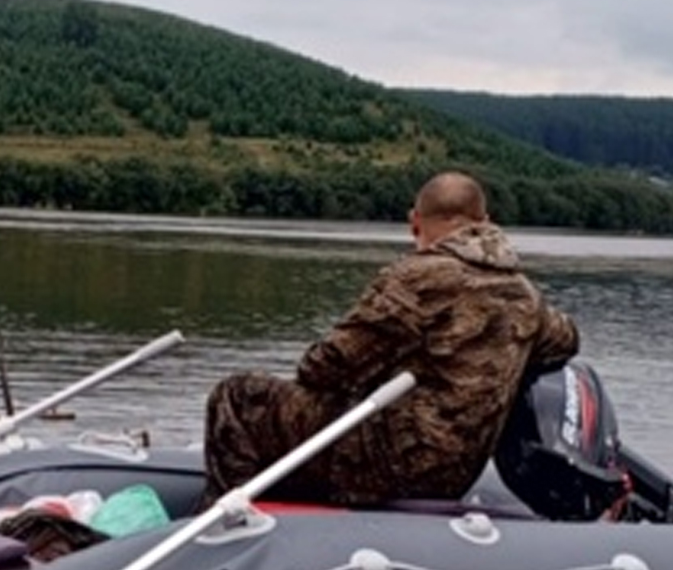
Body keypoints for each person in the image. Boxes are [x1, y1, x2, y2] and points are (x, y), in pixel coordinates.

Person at [202, 170, 579, 507]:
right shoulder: (523, 293)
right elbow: (565, 341)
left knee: (236, 397)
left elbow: (321, 369)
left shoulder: (416, 279)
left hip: (391, 461)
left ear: (415, 223)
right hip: (458, 473)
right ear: (487, 222)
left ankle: (224, 526)